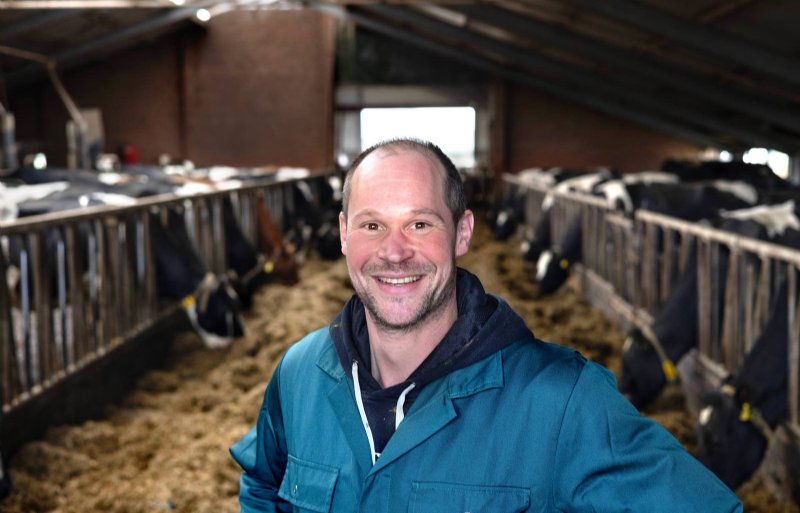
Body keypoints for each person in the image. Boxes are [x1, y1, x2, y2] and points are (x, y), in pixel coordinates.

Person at [230, 138, 742, 512]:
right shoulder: (299, 375)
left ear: (462, 233)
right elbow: (261, 486)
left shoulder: (561, 400)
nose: (394, 251)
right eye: (371, 225)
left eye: (420, 223)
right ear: (343, 235)